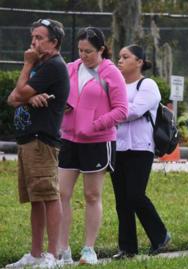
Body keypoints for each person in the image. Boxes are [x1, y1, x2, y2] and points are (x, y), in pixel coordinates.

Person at [57, 26, 128, 265]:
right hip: (69, 139)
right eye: (80, 50)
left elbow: (121, 110)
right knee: (61, 193)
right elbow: (60, 95)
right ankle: (62, 248)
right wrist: (63, 105)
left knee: (91, 195)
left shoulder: (111, 73)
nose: (83, 56)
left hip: (97, 141)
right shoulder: (71, 68)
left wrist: (94, 125)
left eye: (88, 51)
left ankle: (89, 249)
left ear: (101, 50)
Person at [6, 19, 69, 268]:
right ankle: (35, 254)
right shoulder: (40, 66)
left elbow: (19, 93)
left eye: (40, 38)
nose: (33, 42)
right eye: (32, 37)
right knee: (36, 198)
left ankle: (52, 256)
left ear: (54, 42)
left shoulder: (52, 66)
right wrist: (28, 98)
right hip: (27, 141)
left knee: (49, 196)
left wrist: (27, 65)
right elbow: (13, 98)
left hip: (41, 141)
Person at [111, 45, 171, 259]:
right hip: (117, 148)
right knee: (122, 200)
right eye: (119, 57)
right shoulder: (115, 86)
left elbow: (135, 111)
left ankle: (160, 235)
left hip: (140, 148)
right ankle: (127, 248)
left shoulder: (148, 85)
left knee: (135, 195)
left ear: (139, 62)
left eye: (125, 57)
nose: (120, 60)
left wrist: (112, 111)